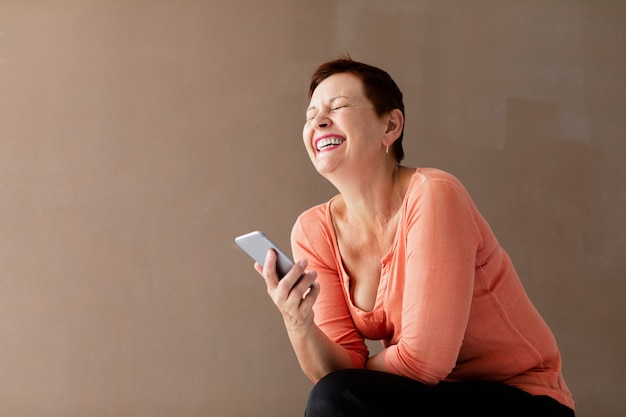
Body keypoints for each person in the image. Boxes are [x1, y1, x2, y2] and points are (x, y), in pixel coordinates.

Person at [253, 56, 575, 416]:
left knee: (336, 397)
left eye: (339, 106)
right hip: (423, 398)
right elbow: (331, 374)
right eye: (311, 115)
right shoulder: (314, 230)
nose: (319, 121)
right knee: (333, 395)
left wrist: (353, 376)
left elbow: (424, 362)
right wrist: (298, 323)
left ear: (390, 126)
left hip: (521, 400)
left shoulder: (435, 193)